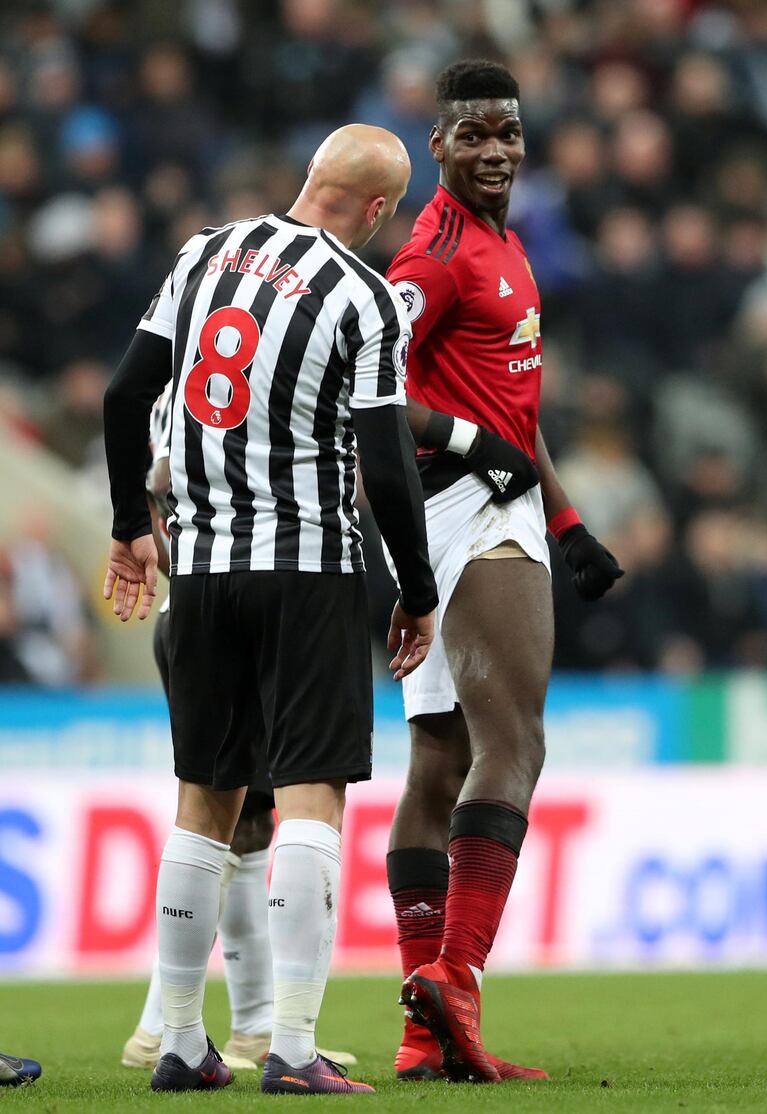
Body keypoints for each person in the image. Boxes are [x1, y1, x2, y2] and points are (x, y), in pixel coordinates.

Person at [103, 124, 438, 1096]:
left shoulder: (203, 252)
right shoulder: (362, 294)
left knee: (202, 805)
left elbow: (129, 394)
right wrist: (416, 590)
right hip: (308, 567)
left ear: (308, 178)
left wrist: (132, 522)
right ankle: (291, 1045)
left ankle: (176, 1038)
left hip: (200, 572)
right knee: (309, 798)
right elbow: (383, 460)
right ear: (378, 209)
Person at [384, 60, 623, 1084]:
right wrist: (475, 448)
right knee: (513, 739)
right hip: (466, 513)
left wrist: (565, 519)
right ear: (435, 145)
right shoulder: (432, 254)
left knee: (438, 761)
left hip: (498, 507)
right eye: (473, 135)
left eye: (508, 134)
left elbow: (513, 412)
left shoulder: (505, 246)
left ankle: (418, 1024)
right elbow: (364, 391)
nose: (495, 151)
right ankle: (460, 981)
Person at [121, 383, 355, 1074]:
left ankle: (245, 1025)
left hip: (198, 605)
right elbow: (163, 478)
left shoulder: (183, 372)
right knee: (222, 819)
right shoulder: (241, 369)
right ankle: (166, 1026)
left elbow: (156, 477)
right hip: (247, 603)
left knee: (245, 821)